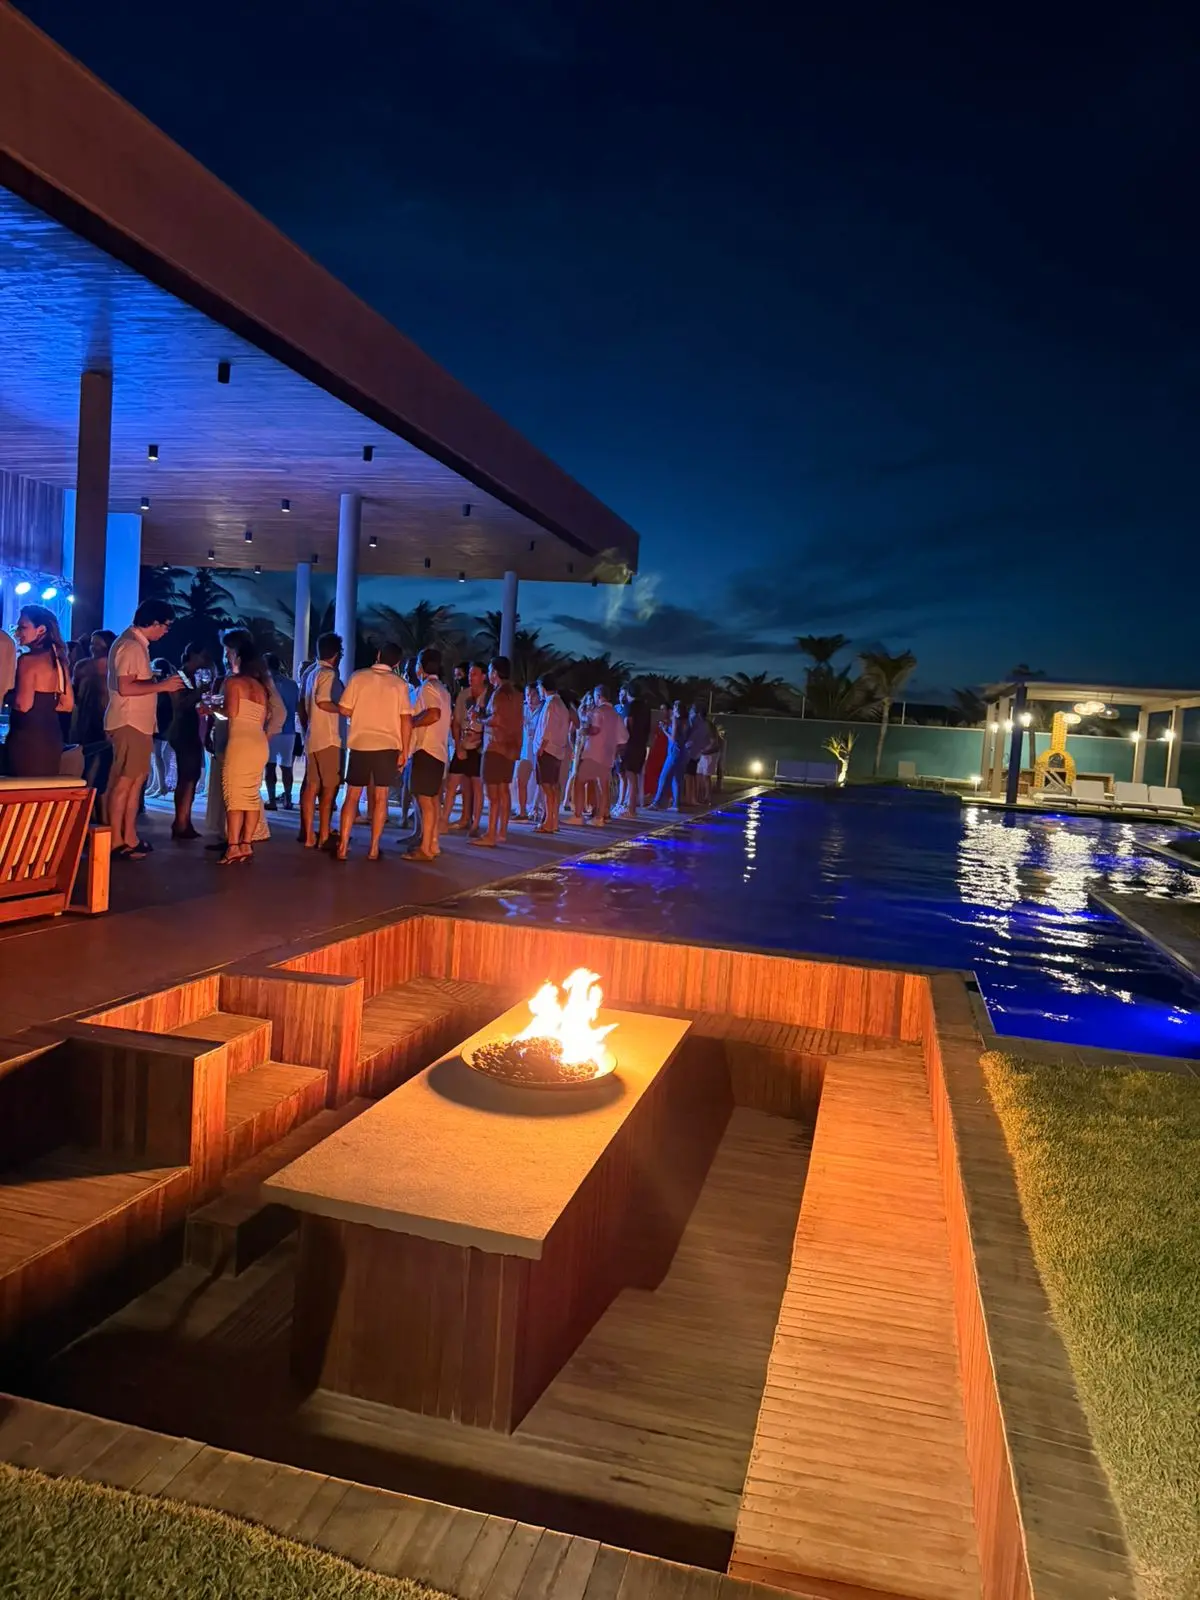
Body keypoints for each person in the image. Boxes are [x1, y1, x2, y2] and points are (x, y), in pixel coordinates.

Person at [105, 599, 180, 859]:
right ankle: (116, 841)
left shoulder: (135, 645)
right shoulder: (130, 646)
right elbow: (125, 687)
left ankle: (129, 836)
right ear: (154, 622)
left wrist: (155, 682)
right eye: (166, 625)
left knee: (135, 781)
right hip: (130, 722)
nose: (166, 631)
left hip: (137, 723)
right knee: (125, 781)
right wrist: (162, 686)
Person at [336, 641, 411, 861]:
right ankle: (374, 848)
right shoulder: (399, 684)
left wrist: (362, 712)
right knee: (381, 797)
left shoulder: (358, 677)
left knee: (352, 796)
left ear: (378, 655)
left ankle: (343, 846)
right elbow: (406, 719)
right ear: (397, 663)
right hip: (387, 746)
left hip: (360, 744)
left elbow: (344, 708)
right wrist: (405, 751)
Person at [214, 628, 271, 865]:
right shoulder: (260, 686)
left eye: (228, 652)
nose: (227, 656)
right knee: (251, 795)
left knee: (235, 796)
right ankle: (246, 843)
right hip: (259, 743)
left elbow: (231, 712)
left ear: (236, 655)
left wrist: (211, 710)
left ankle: (233, 846)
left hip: (241, 743)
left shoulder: (233, 682)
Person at [5, 605, 74, 778]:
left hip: (27, 739)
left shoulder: (27, 661)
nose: (17, 633)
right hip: (51, 737)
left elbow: (23, 704)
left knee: (20, 789)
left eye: (23, 627)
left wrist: (6, 695)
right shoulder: (58, 661)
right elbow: (67, 705)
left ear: (41, 629)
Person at [403, 646, 452, 862]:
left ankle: (425, 848)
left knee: (425, 801)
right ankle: (432, 844)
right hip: (438, 750)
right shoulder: (443, 689)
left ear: (421, 667)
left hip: (426, 749)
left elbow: (434, 714)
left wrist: (411, 723)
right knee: (431, 801)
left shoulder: (428, 688)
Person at [298, 632, 344, 851]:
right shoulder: (328, 674)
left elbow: (304, 704)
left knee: (311, 786)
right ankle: (324, 834)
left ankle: (309, 835)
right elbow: (323, 701)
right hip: (328, 738)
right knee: (329, 789)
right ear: (336, 654)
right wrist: (345, 710)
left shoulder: (311, 673)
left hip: (312, 737)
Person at [473, 656, 523, 848]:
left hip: (495, 746)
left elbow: (496, 720)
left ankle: (490, 834)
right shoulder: (516, 693)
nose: (489, 675)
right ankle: (501, 832)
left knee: (492, 794)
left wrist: (479, 719)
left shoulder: (500, 693)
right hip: (511, 748)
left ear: (495, 672)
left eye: (490, 670)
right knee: (503, 790)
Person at [167, 643, 209, 840]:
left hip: (190, 729)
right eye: (202, 656)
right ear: (193, 655)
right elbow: (179, 704)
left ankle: (184, 820)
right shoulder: (180, 676)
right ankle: (180, 822)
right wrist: (199, 692)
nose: (204, 660)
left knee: (192, 776)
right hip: (182, 730)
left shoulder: (190, 677)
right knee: (186, 777)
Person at [69, 629, 116, 801]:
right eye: (92, 643)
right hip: (84, 719)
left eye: (98, 643)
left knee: (104, 764)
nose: (93, 647)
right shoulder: (82, 666)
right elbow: (74, 692)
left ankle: (98, 802)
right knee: (84, 760)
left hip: (107, 719)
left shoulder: (115, 668)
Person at [442, 661, 488, 835]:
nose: (470, 677)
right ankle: (444, 820)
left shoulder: (489, 696)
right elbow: (456, 722)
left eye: (474, 674)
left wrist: (481, 739)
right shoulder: (464, 695)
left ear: (483, 676)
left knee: (477, 785)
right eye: (469, 673)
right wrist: (458, 745)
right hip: (463, 743)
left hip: (479, 747)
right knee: (452, 783)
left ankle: (475, 824)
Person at [571, 683, 623, 826]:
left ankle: (578, 815)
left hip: (593, 753)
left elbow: (595, 729)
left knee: (579, 780)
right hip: (608, 755)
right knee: (604, 785)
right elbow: (623, 738)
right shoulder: (616, 715)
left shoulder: (598, 712)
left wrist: (584, 731)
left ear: (599, 696)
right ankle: (600, 817)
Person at [530, 671, 569, 834]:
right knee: (552, 787)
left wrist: (540, 748)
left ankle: (549, 822)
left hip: (547, 750)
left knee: (547, 788)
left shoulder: (550, 704)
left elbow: (547, 728)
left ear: (543, 687)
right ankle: (553, 821)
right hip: (557, 750)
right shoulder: (561, 704)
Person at [263, 654, 300, 811]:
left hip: (271, 729)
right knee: (287, 766)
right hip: (289, 730)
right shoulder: (292, 685)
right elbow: (297, 706)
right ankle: (288, 799)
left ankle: (272, 800)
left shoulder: (264, 683)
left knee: (270, 766)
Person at [615, 684, 651, 817]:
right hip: (641, 745)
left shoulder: (629, 706)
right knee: (634, 776)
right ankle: (631, 807)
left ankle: (631, 809)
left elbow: (627, 722)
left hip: (630, 745)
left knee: (630, 776)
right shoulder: (645, 708)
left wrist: (622, 743)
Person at [651, 700, 689, 811]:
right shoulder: (686, 721)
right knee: (676, 779)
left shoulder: (675, 720)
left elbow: (673, 738)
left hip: (673, 752)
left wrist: (664, 730)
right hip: (682, 752)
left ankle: (656, 802)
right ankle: (676, 804)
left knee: (663, 777)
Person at [514, 683, 543, 820]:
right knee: (520, 779)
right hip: (525, 751)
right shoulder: (522, 709)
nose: (530, 698)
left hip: (539, 751)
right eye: (527, 695)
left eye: (533, 695)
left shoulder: (544, 710)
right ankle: (522, 811)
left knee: (541, 783)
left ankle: (537, 808)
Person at [684, 703, 712, 807]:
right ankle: (692, 798)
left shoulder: (694, 721)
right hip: (697, 753)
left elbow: (687, 735)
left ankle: (690, 799)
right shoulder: (706, 725)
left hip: (690, 751)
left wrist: (687, 744)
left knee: (689, 775)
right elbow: (707, 741)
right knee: (692, 775)